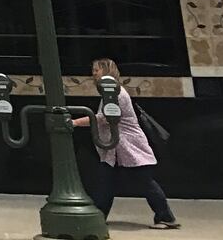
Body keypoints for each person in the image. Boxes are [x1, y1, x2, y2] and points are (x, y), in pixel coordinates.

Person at [76, 58, 179, 230]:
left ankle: (165, 216)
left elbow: (103, 118)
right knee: (106, 181)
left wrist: (76, 122)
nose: (93, 73)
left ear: (107, 71)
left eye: (97, 70)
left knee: (143, 181)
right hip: (116, 148)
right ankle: (99, 215)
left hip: (128, 147)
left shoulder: (114, 92)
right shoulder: (112, 91)